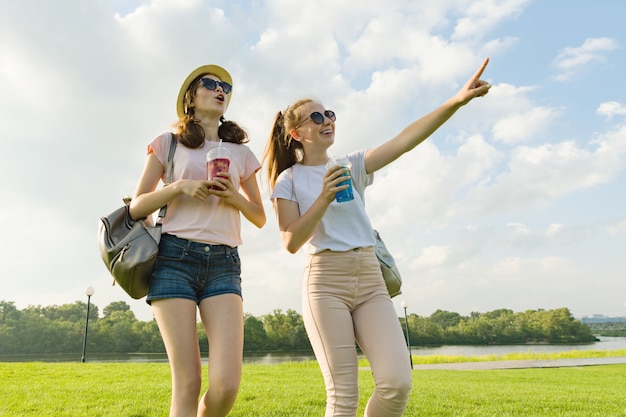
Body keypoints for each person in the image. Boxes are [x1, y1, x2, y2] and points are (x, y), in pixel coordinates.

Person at [262, 58, 491, 416]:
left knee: (397, 383)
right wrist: (323, 198)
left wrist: (455, 101)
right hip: (324, 281)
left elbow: (404, 140)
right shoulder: (288, 181)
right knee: (343, 396)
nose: (328, 121)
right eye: (317, 117)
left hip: (370, 278)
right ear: (296, 134)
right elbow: (291, 241)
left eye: (330, 114)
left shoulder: (351, 164)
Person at [129, 64, 266, 417]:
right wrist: (178, 187)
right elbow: (137, 206)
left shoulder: (240, 153)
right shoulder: (167, 143)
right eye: (211, 84)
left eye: (226, 87)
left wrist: (233, 196)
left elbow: (259, 217)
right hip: (175, 257)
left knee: (226, 386)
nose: (221, 89)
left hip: (224, 263)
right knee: (187, 383)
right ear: (191, 96)